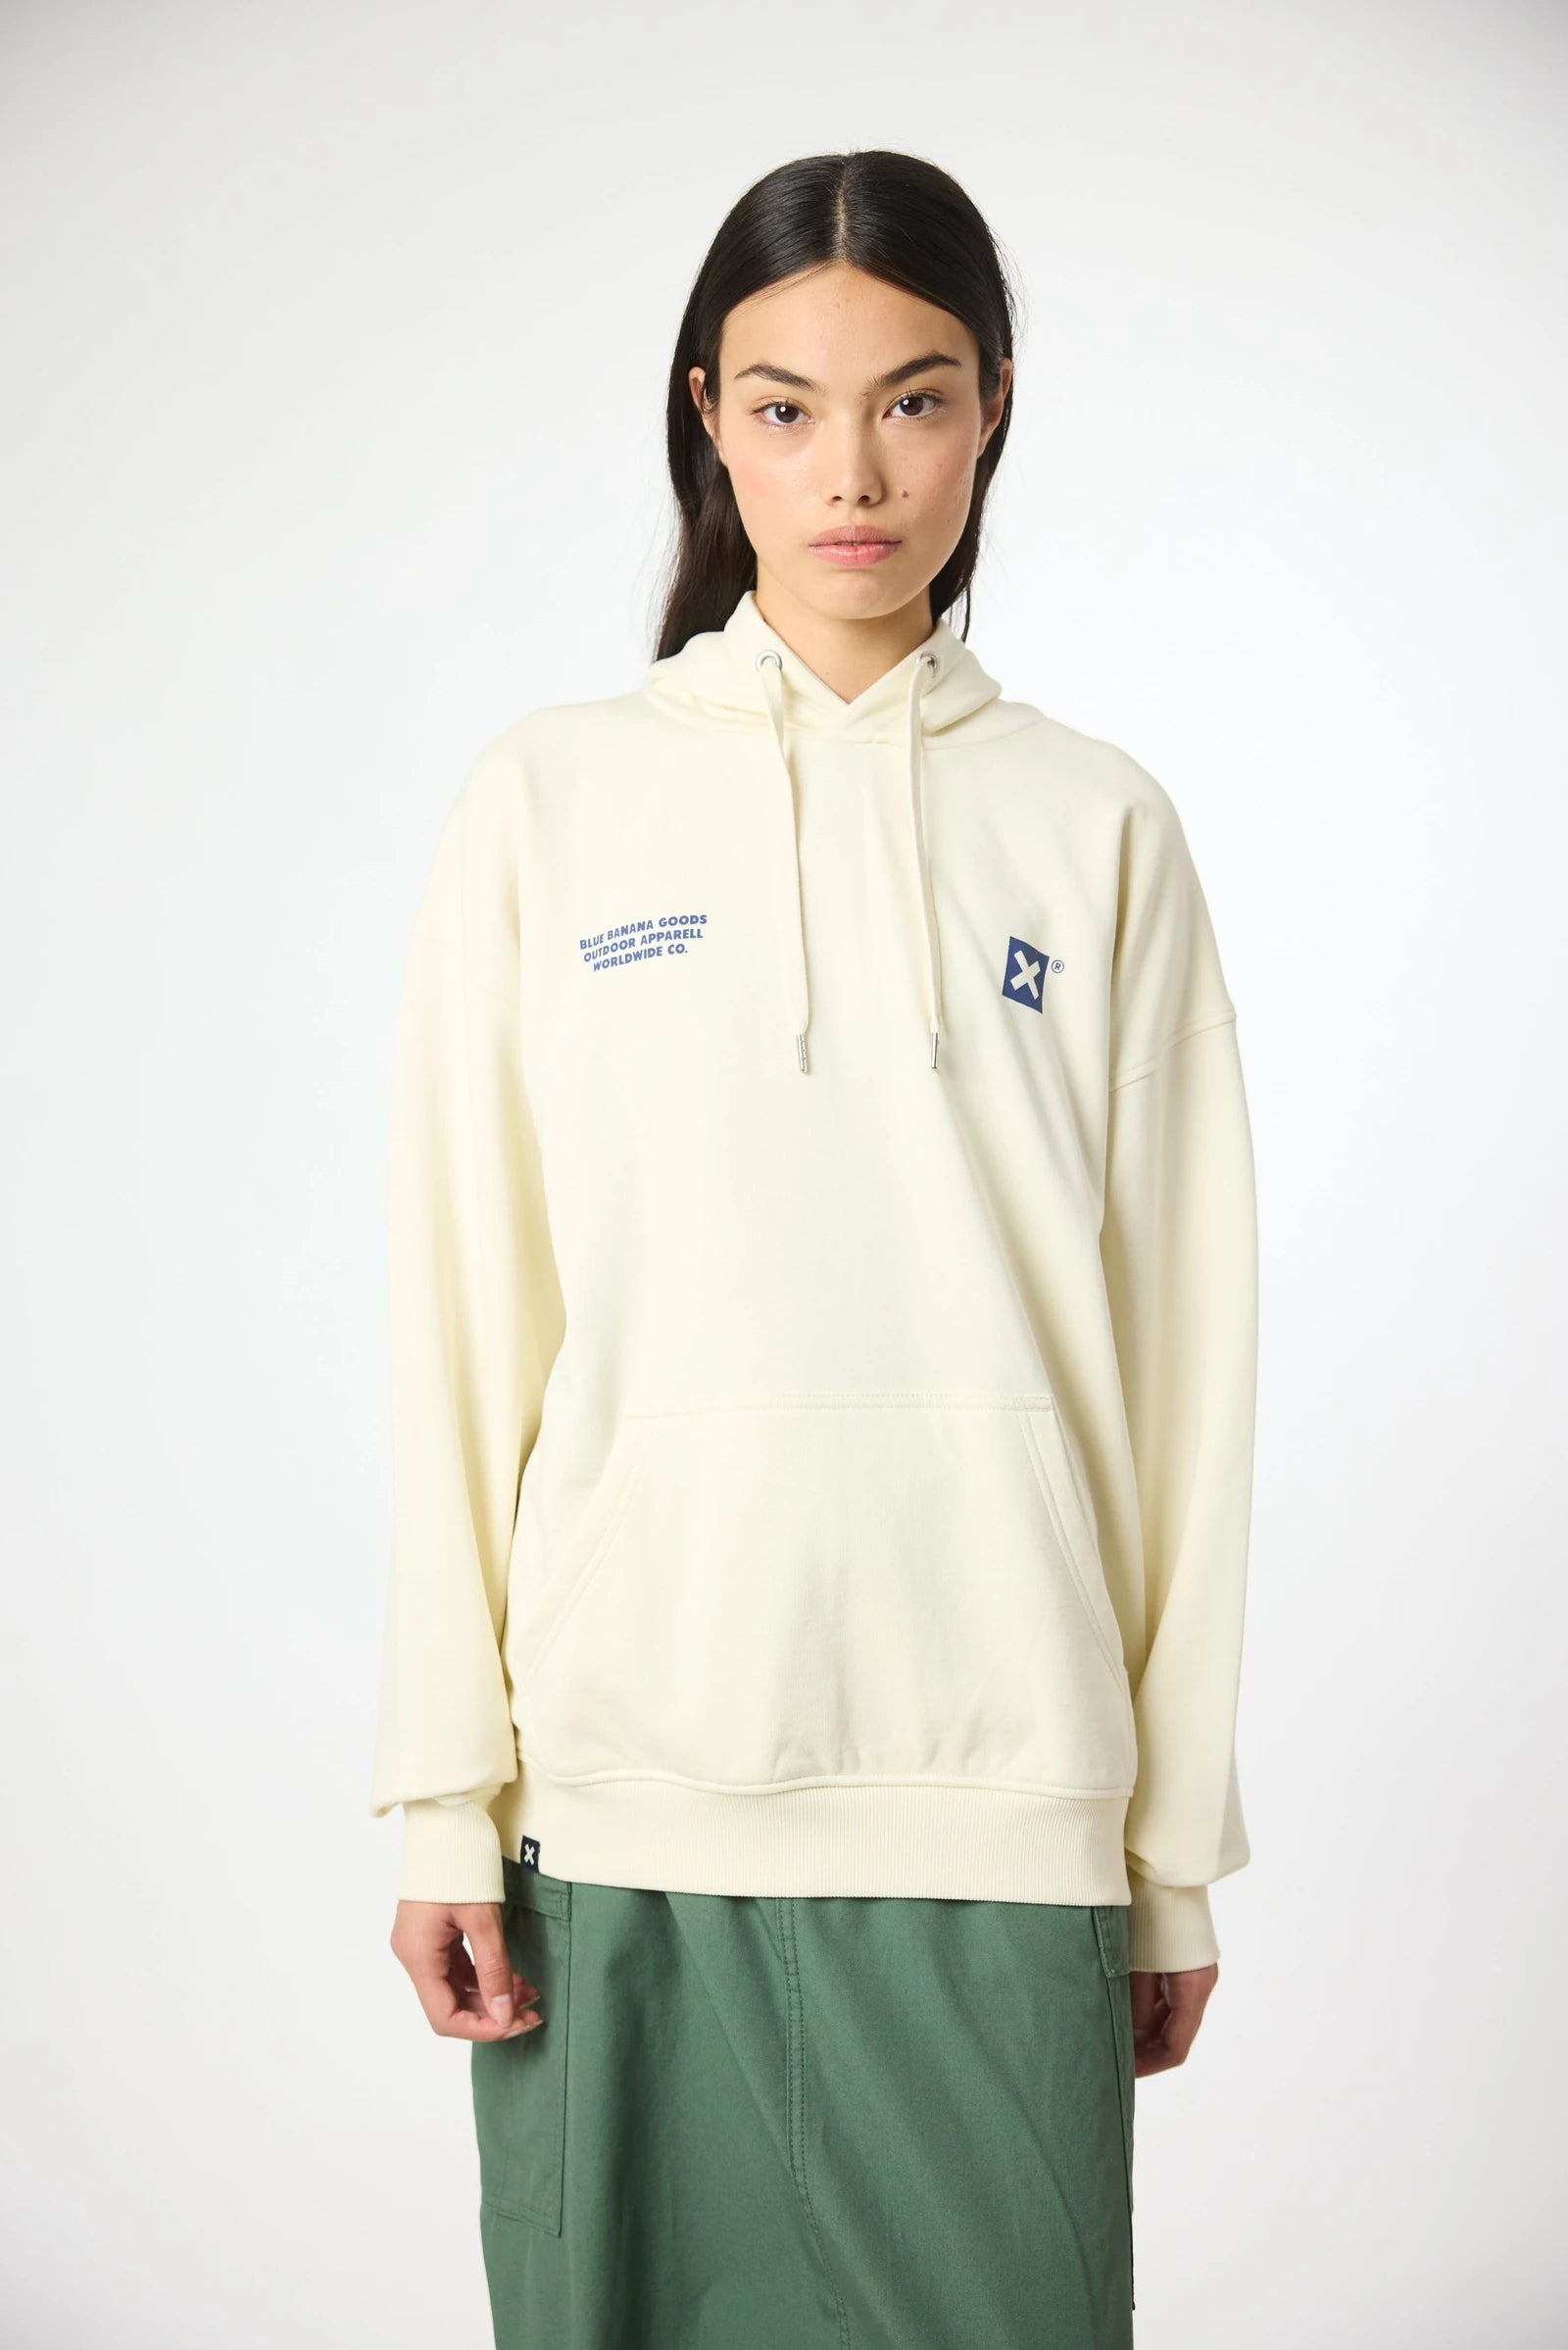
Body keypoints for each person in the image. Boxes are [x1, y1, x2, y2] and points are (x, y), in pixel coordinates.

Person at [369, 147, 1258, 2350]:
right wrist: (442, 1797)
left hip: (1004, 1794)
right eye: (783, 406)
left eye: (912, 400)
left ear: (992, 409)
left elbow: (1188, 1369)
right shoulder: (548, 803)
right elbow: (465, 1325)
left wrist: (1165, 1846)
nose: (851, 472)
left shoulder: (1096, 825)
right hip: (623, 1793)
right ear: (707, 418)